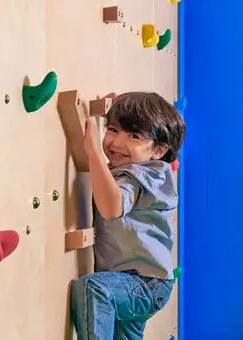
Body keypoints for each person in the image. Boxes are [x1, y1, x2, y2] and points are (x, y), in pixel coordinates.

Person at [70, 92, 186, 339]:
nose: (118, 143)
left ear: (159, 151)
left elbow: (112, 208)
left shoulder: (140, 175)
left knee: (94, 288)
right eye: (112, 130)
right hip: (140, 282)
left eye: (133, 136)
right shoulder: (140, 167)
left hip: (144, 283)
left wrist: (93, 151)